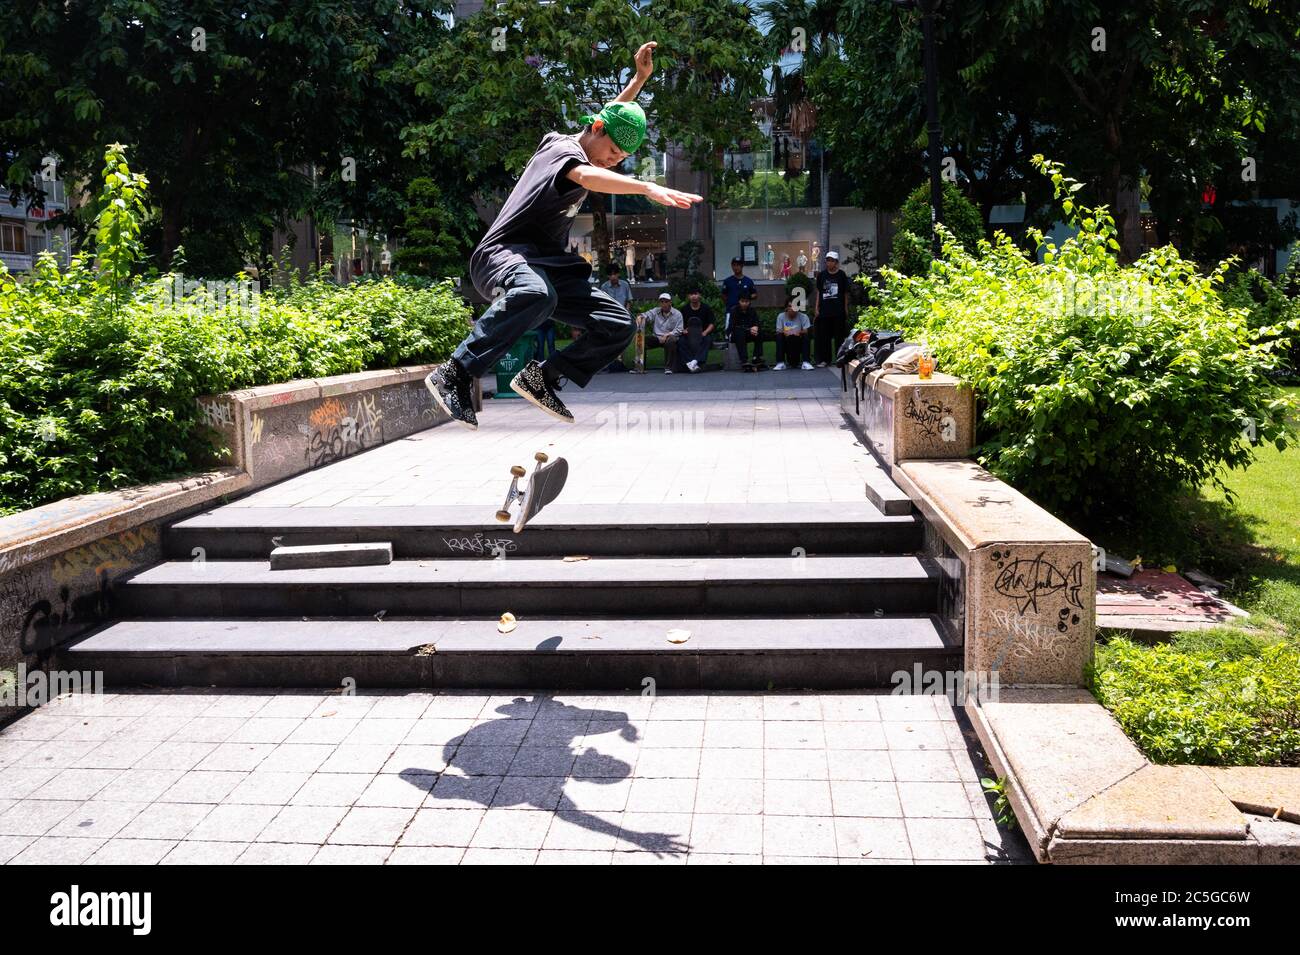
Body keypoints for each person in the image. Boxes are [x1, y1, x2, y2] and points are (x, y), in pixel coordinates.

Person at [423, 41, 702, 428]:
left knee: (617, 323)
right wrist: (646, 187)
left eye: (622, 160)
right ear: (597, 129)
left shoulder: (598, 135)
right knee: (537, 294)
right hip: (502, 256)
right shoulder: (560, 149)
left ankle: (544, 378)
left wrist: (639, 80)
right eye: (613, 153)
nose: (613, 161)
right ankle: (453, 372)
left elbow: (610, 120)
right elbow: (587, 173)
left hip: (546, 266)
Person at [814, 249, 850, 367]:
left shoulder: (841, 275)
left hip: (838, 310)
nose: (829, 263)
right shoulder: (822, 275)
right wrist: (816, 307)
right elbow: (819, 292)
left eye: (831, 261)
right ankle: (825, 360)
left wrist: (845, 308)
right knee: (825, 337)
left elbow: (845, 293)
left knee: (839, 337)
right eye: (827, 260)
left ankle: (840, 359)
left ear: (836, 262)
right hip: (825, 310)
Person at [638, 292, 683, 373]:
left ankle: (668, 367)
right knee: (642, 340)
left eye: (666, 301)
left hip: (669, 338)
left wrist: (667, 335)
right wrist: (640, 317)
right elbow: (646, 315)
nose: (664, 304)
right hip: (657, 337)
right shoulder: (656, 311)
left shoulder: (677, 314)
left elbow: (679, 330)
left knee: (671, 340)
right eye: (662, 302)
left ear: (670, 302)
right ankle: (640, 366)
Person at [678, 286, 716, 373]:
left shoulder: (706, 308)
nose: (694, 296)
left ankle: (694, 362)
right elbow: (680, 324)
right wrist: (684, 330)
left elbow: (712, 323)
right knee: (680, 341)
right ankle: (691, 362)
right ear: (688, 296)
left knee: (707, 340)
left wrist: (705, 332)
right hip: (688, 335)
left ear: (699, 295)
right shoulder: (684, 309)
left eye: (695, 294)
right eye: (691, 294)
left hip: (703, 334)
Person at [728, 290, 765, 370]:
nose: (744, 303)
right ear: (739, 301)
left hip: (748, 333)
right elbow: (733, 326)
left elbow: (757, 322)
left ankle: (756, 357)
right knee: (739, 332)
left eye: (747, 301)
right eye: (742, 301)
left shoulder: (752, 311)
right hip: (735, 335)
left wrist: (756, 327)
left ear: (749, 302)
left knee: (759, 331)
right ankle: (744, 360)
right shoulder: (734, 310)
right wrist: (749, 329)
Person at [773, 296, 812, 370]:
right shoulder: (781, 316)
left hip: (798, 341)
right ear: (786, 308)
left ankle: (806, 362)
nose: (791, 308)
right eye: (789, 306)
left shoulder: (804, 316)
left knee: (806, 336)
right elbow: (778, 330)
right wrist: (785, 332)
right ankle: (780, 363)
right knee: (779, 336)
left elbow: (806, 330)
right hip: (786, 341)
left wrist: (799, 332)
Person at [720, 256, 757, 325]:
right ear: (731, 266)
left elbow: (755, 294)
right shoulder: (727, 281)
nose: (736, 267)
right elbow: (723, 295)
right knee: (729, 334)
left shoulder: (748, 281)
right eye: (734, 265)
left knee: (745, 333)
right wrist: (729, 303)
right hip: (731, 312)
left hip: (745, 313)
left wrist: (747, 298)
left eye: (738, 265)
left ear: (742, 266)